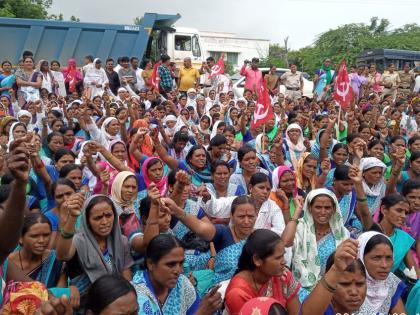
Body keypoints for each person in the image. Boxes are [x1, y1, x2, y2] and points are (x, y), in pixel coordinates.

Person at [56, 194, 133, 312]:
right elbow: (62, 255)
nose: (105, 222)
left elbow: (126, 278)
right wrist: (72, 217)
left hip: (115, 306)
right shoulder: (78, 241)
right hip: (84, 306)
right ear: (87, 221)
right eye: (97, 218)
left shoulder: (121, 242)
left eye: (109, 215)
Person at [131, 234, 222, 315]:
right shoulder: (135, 296)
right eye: (171, 264)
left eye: (181, 264)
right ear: (150, 264)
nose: (178, 271)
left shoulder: (182, 283)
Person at [7, 213, 80, 307]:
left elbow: (58, 298)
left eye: (46, 235)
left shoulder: (56, 260)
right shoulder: (7, 263)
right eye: (34, 236)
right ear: (20, 238)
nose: (41, 240)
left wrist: (70, 290)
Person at [225, 229, 301, 315]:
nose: (284, 262)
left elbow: (296, 313)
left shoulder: (283, 276)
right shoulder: (238, 293)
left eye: (283, 255)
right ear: (257, 260)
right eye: (278, 258)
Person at [292, 188, 350, 300]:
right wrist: (297, 212)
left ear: (334, 209)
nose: (323, 212)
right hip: (300, 290)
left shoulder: (342, 234)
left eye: (327, 208)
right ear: (309, 208)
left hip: (332, 290)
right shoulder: (299, 228)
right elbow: (285, 243)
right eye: (318, 207)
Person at [300, 239, 367, 315]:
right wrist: (336, 268)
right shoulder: (317, 306)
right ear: (331, 282)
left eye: (360, 284)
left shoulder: (368, 312)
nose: (354, 292)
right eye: (345, 284)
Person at [357, 231, 407, 315]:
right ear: (360, 256)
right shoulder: (349, 282)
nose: (384, 265)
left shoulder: (389, 281)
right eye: (377, 258)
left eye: (388, 258)